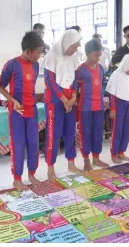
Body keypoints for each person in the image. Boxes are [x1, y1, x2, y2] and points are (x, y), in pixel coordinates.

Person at [0, 31, 44, 190]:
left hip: (32, 111)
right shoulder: (11, 64)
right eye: (38, 52)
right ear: (28, 51)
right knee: (18, 145)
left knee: (33, 144)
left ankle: (32, 173)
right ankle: (17, 178)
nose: (39, 55)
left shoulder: (36, 65)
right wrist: (12, 100)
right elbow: (0, 86)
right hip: (17, 113)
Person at [42, 29, 82, 181]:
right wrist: (63, 99)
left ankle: (71, 163)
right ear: (67, 44)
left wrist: (72, 97)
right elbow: (50, 81)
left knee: (70, 133)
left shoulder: (72, 56)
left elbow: (73, 79)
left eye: (77, 46)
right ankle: (50, 168)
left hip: (69, 101)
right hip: (54, 101)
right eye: (74, 46)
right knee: (54, 135)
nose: (76, 49)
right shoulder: (52, 55)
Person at [76, 39, 109, 171]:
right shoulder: (81, 69)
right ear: (87, 53)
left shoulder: (100, 68)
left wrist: (104, 100)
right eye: (95, 55)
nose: (97, 58)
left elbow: (100, 86)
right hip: (85, 107)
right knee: (86, 133)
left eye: (99, 55)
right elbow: (75, 87)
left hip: (99, 106)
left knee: (97, 133)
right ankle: (86, 160)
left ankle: (96, 157)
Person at [106, 54, 129, 164]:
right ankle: (114, 153)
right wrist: (112, 108)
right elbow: (111, 93)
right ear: (127, 65)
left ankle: (121, 152)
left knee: (126, 129)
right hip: (118, 104)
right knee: (117, 129)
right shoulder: (116, 75)